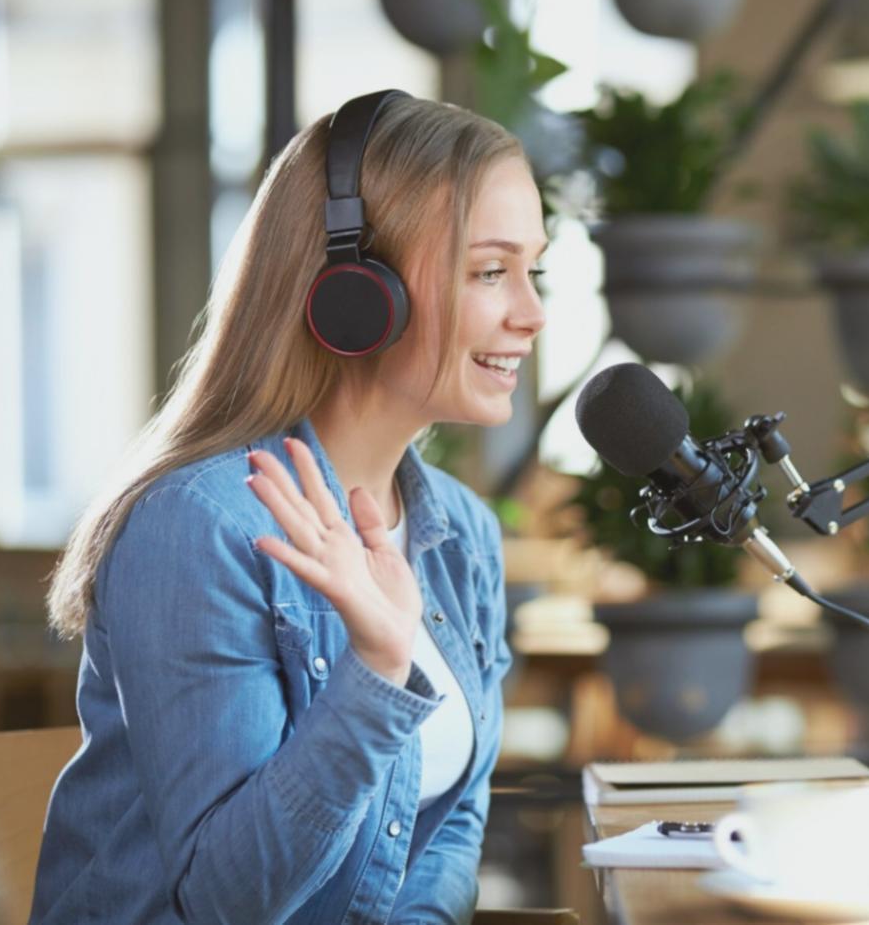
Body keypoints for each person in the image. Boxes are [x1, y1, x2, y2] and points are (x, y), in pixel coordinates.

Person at [29, 91, 547, 924]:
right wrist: (376, 675)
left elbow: (449, 832)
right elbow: (228, 901)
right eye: (490, 272)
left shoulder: (464, 535)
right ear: (357, 293)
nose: (532, 314)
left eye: (535, 270)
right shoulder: (201, 527)